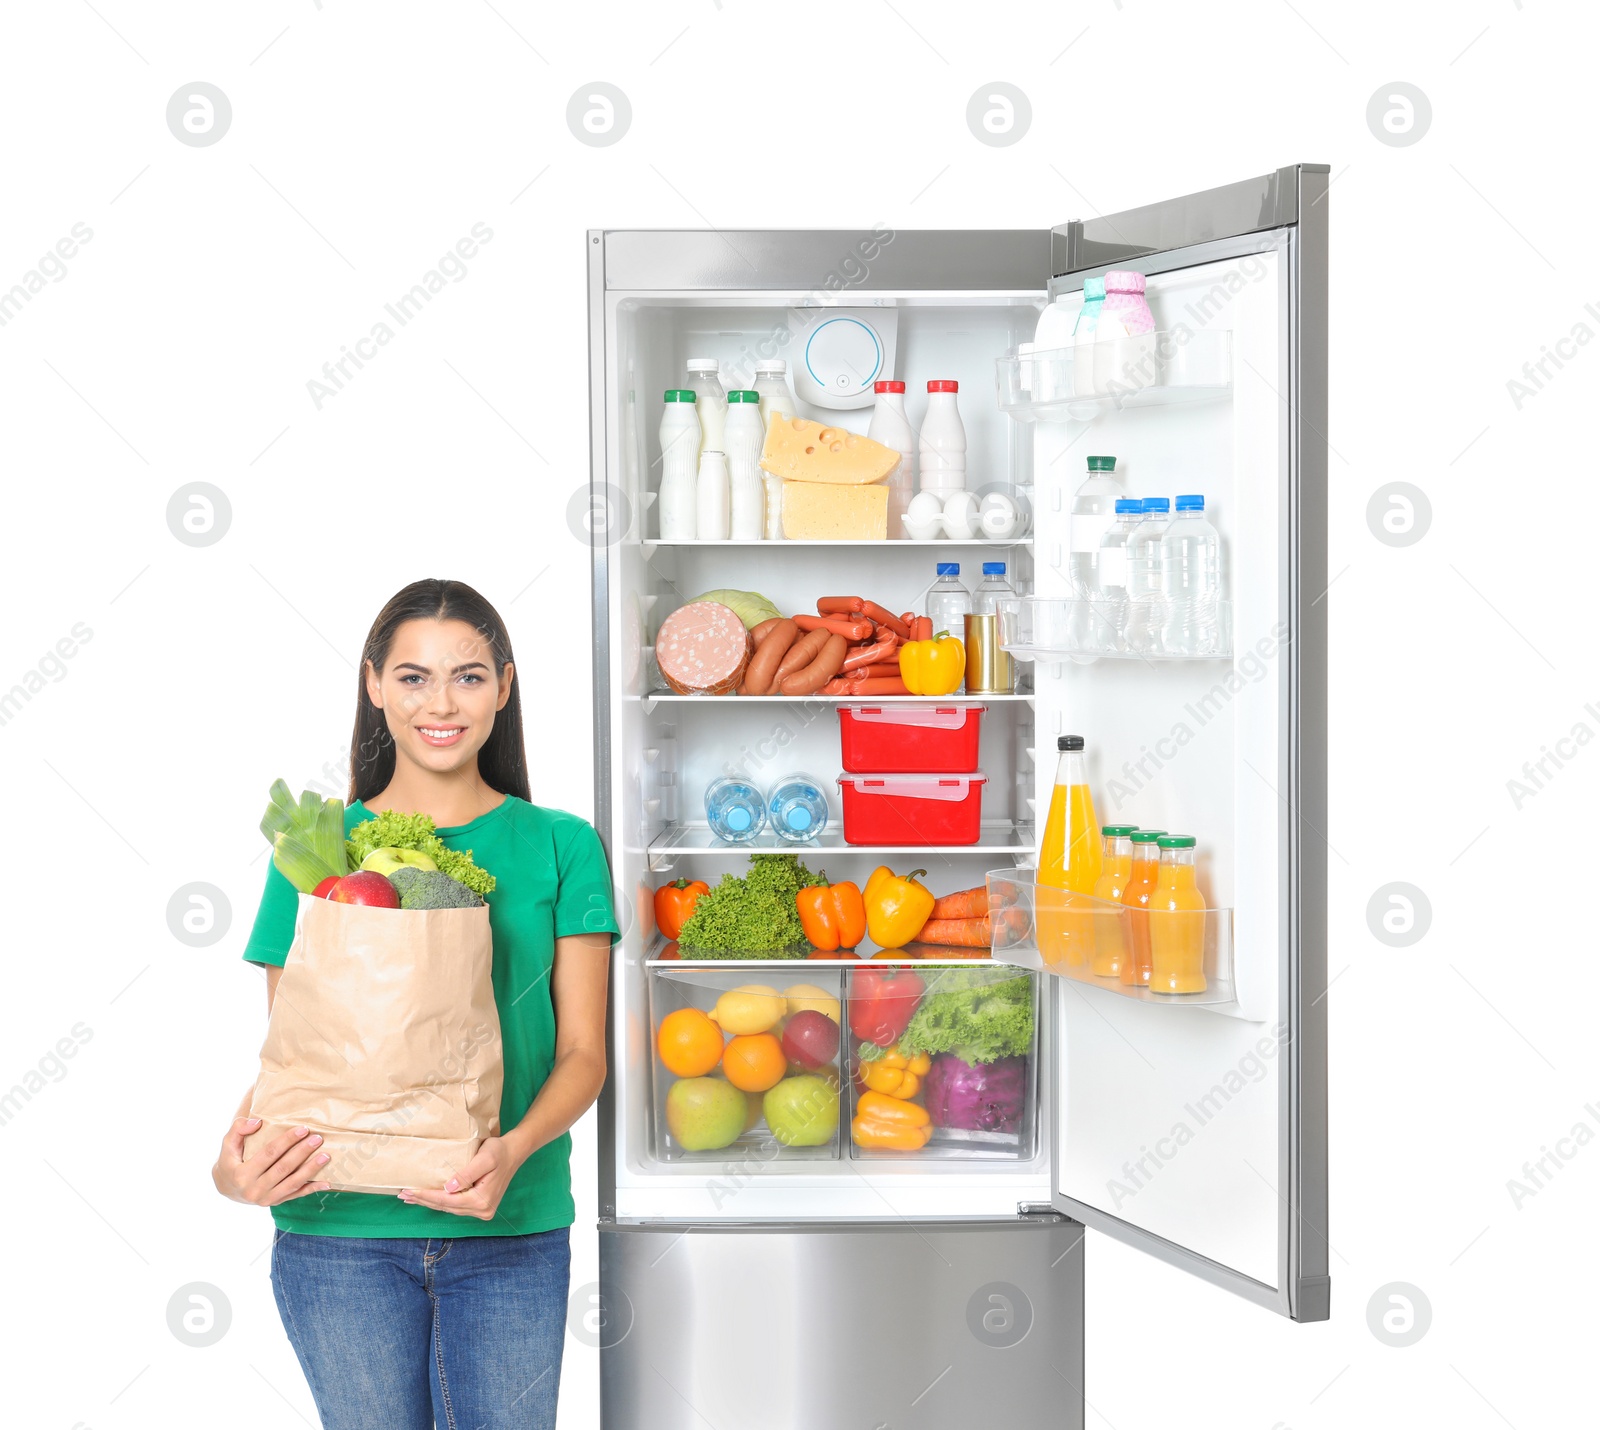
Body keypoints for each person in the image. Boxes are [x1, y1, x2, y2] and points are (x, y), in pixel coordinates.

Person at [212, 578, 616, 1430]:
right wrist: (231, 1164)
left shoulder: (562, 845)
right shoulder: (315, 854)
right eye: (412, 677)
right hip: (336, 1229)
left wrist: (510, 1153)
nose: (442, 703)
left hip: (511, 1226)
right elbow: (303, 1051)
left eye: (468, 677)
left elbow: (585, 1056)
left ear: (504, 689)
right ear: (373, 686)